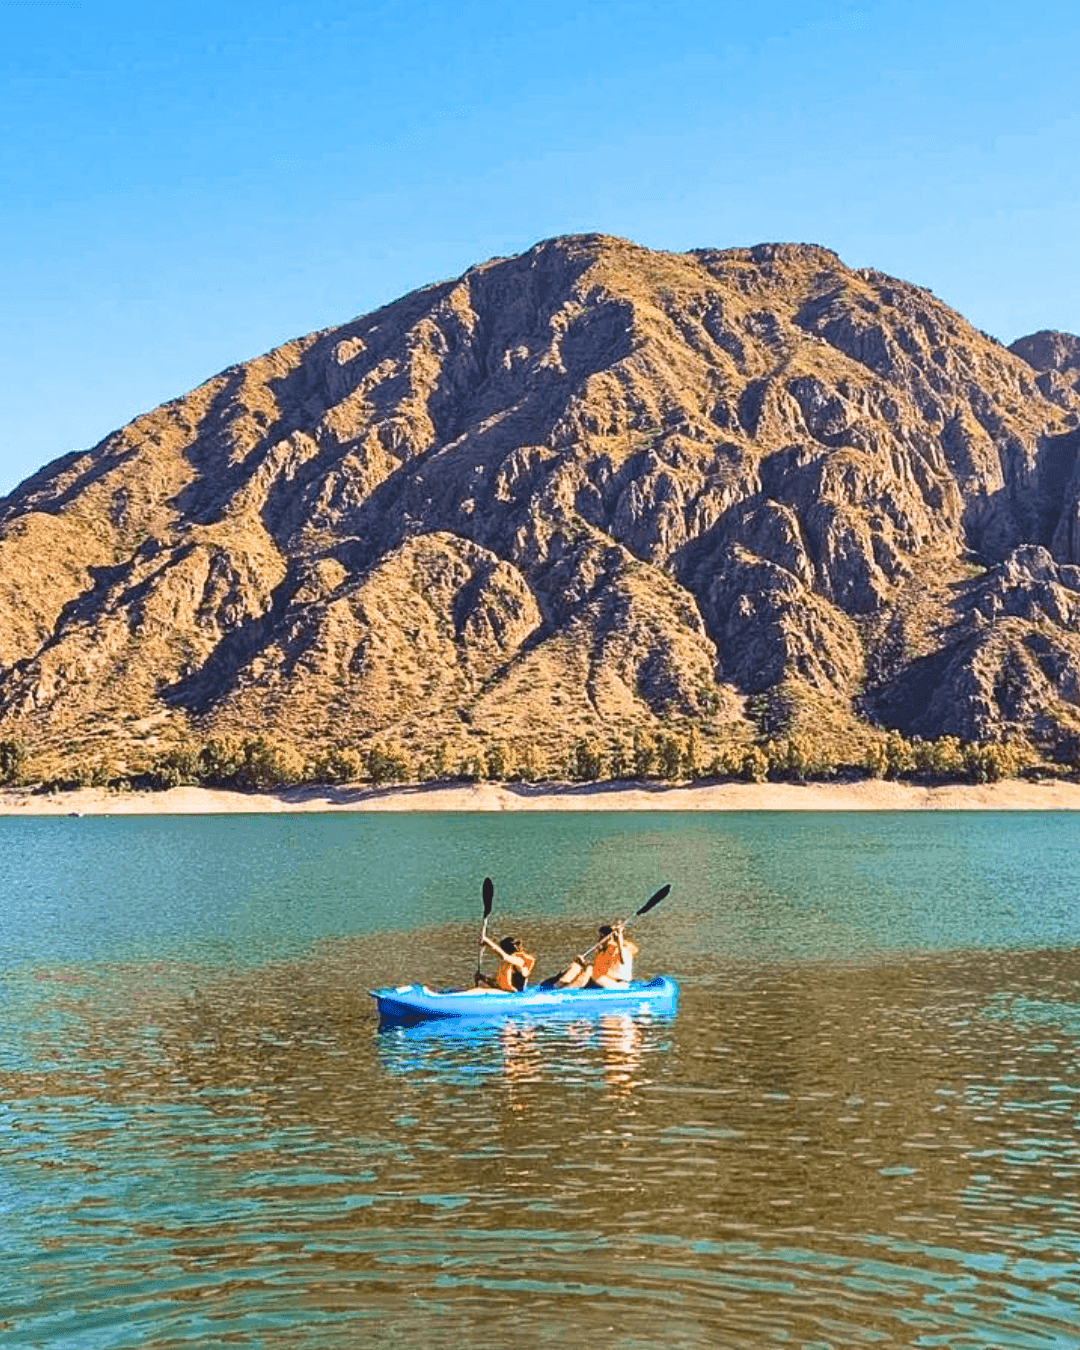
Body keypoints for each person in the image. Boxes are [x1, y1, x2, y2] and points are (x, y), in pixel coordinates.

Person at [589, 922, 638, 988]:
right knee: (580, 967)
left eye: (602, 937)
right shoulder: (602, 951)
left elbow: (623, 960)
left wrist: (619, 935)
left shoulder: (625, 949)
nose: (599, 940)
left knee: (590, 971)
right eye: (599, 937)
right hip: (608, 980)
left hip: (620, 984)